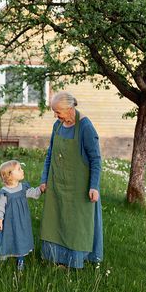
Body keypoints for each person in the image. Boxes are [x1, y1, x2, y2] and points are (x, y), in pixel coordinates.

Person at [40, 91, 103, 269]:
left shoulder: (85, 127)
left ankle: (74, 262)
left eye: (58, 112)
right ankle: (55, 258)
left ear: (69, 108)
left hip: (79, 187)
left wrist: (94, 186)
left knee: (76, 225)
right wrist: (44, 179)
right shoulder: (57, 126)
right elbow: (50, 154)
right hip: (57, 183)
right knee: (56, 221)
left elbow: (96, 159)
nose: (55, 115)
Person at [0, 160, 42, 270]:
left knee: (21, 237)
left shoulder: (23, 188)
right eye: (19, 169)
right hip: (8, 222)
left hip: (21, 220)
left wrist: (40, 189)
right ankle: (1, 258)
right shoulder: (4, 192)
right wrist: (0, 221)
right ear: (10, 175)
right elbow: (0, 207)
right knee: (6, 237)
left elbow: (33, 193)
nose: (22, 170)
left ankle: (21, 260)